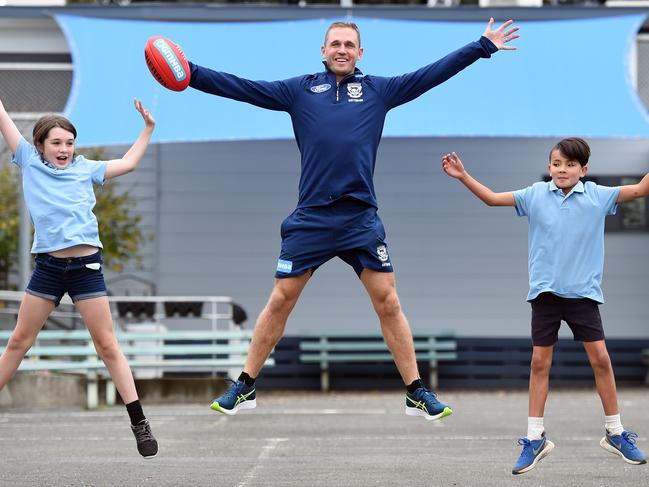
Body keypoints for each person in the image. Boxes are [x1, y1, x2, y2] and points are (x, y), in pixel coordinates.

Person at [187, 18, 519, 419]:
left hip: (359, 218)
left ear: (360, 53)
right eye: (335, 43)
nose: (341, 49)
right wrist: (189, 73)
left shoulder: (379, 91)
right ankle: (245, 386)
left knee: (389, 303)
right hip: (311, 218)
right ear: (323, 50)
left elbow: (432, 74)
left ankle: (415, 391)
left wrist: (482, 46)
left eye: (349, 44)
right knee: (280, 300)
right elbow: (242, 88)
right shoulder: (299, 90)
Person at [441, 139, 648, 474]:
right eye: (556, 163)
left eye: (569, 164)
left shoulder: (598, 195)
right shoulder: (535, 194)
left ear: (584, 169)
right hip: (545, 296)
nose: (561, 169)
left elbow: (640, 190)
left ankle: (615, 432)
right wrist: (463, 176)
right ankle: (535, 438)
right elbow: (493, 199)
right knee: (540, 361)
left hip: (583, 295)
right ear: (549, 166)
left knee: (601, 359)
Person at [0, 97, 158, 459]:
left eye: (69, 142)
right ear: (40, 145)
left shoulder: (86, 168)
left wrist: (147, 128)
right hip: (50, 269)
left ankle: (139, 422)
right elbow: (3, 116)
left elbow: (129, 163)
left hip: (86, 268)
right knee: (18, 343)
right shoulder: (27, 160)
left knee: (107, 346)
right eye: (56, 142)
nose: (64, 149)